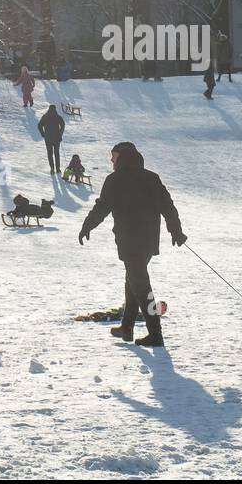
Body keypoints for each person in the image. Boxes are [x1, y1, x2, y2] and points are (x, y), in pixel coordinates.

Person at [79, 142, 185, 347]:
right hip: (148, 242)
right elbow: (168, 206)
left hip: (129, 241)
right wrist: (176, 231)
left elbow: (102, 207)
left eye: (114, 156)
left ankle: (156, 334)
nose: (111, 160)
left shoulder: (115, 180)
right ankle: (127, 327)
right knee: (133, 282)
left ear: (123, 157)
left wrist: (87, 226)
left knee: (142, 287)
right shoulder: (151, 178)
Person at [37, 104, 65, 175]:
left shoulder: (45, 117)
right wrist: (60, 134)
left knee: (50, 154)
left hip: (48, 138)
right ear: (55, 109)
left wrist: (43, 134)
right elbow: (63, 125)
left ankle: (52, 168)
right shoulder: (58, 117)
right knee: (56, 154)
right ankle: (58, 169)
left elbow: (39, 125)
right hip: (57, 138)